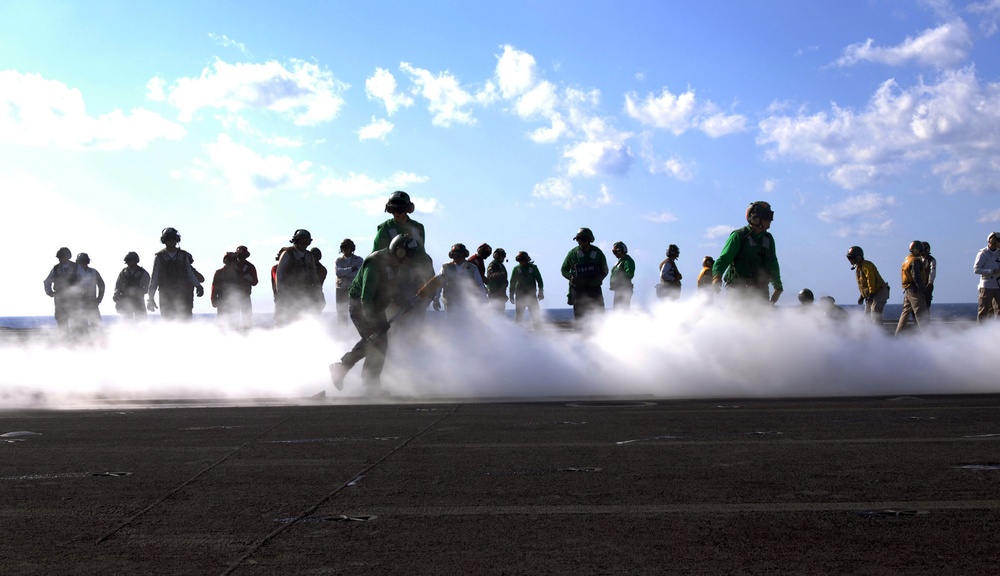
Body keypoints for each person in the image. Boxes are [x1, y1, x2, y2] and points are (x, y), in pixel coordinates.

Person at [329, 234, 420, 392]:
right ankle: (362, 380)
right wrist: (372, 321)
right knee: (375, 341)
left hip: (376, 306)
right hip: (361, 306)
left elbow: (389, 288)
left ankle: (355, 375)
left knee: (378, 344)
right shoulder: (375, 263)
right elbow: (366, 297)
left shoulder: (395, 263)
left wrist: (400, 300)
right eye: (409, 253)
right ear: (399, 251)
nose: (410, 258)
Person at [372, 191, 435, 325]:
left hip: (414, 283)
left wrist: (430, 283)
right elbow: (377, 260)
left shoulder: (418, 228)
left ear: (407, 209)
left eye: (399, 209)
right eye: (392, 209)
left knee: (415, 325)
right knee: (392, 326)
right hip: (392, 285)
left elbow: (422, 256)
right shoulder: (384, 230)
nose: (396, 213)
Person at [712, 201, 783, 304]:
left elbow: (773, 263)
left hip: (760, 290)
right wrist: (717, 277)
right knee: (739, 318)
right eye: (767, 217)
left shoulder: (768, 239)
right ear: (755, 218)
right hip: (738, 289)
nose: (770, 220)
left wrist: (778, 287)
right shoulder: (739, 236)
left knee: (763, 319)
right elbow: (724, 259)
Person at [147, 227, 204, 321]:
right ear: (164, 240)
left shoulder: (183, 255)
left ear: (177, 239)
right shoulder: (160, 257)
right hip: (166, 294)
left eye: (173, 237)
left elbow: (189, 272)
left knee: (185, 320)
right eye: (168, 238)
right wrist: (150, 298)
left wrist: (198, 285)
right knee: (167, 320)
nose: (171, 240)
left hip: (182, 293)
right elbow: (154, 278)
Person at [561, 227, 609, 323]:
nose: (580, 242)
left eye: (583, 239)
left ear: (589, 240)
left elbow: (605, 270)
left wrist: (599, 277)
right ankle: (580, 336)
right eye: (578, 239)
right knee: (580, 317)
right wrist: (570, 276)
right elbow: (564, 269)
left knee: (599, 314)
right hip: (578, 289)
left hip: (594, 288)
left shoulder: (598, 253)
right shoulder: (572, 254)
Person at [274, 229, 320, 326]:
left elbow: (313, 275)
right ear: (295, 240)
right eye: (301, 240)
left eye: (306, 241)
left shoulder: (309, 255)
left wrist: (318, 292)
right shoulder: (287, 254)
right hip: (289, 293)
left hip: (305, 294)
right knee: (285, 320)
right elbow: (280, 274)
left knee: (304, 319)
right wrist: (281, 293)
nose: (304, 243)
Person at [430, 243, 486, 315]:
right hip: (450, 302)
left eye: (459, 256)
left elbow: (480, 286)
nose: (457, 258)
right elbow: (439, 284)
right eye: (454, 256)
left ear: (464, 255)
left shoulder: (472, 268)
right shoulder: (446, 267)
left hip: (466, 303)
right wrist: (436, 298)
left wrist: (483, 303)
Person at [43, 247, 83, 332]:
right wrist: (50, 292)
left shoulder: (77, 267)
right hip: (60, 300)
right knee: (62, 323)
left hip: (74, 300)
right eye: (59, 257)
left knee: (76, 323)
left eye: (62, 256)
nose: (60, 259)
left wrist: (80, 292)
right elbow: (47, 281)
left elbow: (85, 280)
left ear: (68, 256)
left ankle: (77, 342)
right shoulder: (56, 268)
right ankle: (65, 342)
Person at [846, 246, 889, 324]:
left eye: (851, 258)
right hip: (871, 295)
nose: (850, 260)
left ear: (858, 257)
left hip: (878, 293)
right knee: (867, 317)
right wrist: (862, 296)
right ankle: (869, 334)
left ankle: (878, 334)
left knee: (875, 317)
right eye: (848, 258)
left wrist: (871, 293)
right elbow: (863, 285)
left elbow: (870, 280)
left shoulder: (866, 266)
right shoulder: (859, 268)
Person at [895, 240, 928, 335]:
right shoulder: (915, 260)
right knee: (921, 312)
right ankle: (927, 336)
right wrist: (922, 288)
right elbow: (916, 276)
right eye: (921, 250)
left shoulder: (907, 259)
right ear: (917, 250)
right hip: (914, 289)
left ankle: (898, 335)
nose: (922, 253)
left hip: (907, 289)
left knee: (905, 312)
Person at [509, 251, 545, 328]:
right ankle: (517, 332)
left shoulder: (533, 268)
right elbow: (512, 282)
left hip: (531, 295)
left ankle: (538, 332)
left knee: (535, 314)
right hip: (520, 295)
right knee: (519, 315)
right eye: (519, 260)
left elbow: (539, 280)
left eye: (522, 260)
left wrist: (541, 292)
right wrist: (511, 294)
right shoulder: (516, 269)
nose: (521, 262)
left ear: (526, 259)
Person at [113, 252, 150, 322]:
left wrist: (140, 291)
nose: (128, 263)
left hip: (138, 300)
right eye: (127, 261)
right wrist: (116, 296)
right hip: (126, 300)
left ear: (135, 261)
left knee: (141, 321)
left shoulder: (143, 273)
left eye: (130, 261)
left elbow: (148, 286)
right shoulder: (123, 272)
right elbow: (118, 285)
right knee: (127, 322)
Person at [334, 239, 364, 326]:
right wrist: (351, 269)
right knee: (341, 313)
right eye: (343, 247)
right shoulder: (338, 261)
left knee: (357, 312)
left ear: (352, 248)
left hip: (354, 289)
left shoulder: (359, 260)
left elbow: (358, 273)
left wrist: (345, 273)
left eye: (347, 247)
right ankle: (342, 334)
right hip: (341, 289)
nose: (345, 249)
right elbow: (338, 272)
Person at [74, 253, 105, 332]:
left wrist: (99, 299)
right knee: (81, 328)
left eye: (84, 262)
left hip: (92, 303)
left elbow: (101, 285)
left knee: (97, 326)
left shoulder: (94, 272)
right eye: (80, 262)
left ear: (87, 262)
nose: (82, 264)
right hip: (79, 304)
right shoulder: (74, 274)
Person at [974, 231, 1000, 322]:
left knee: (998, 310)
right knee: (983, 311)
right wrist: (992, 271)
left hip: (998, 285)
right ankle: (981, 332)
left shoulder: (998, 253)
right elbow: (976, 269)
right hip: (986, 285)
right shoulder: (983, 253)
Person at [232, 245, 258, 329]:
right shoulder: (231, 267)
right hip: (233, 297)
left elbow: (255, 282)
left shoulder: (250, 267)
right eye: (239, 256)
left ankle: (247, 335)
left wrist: (248, 278)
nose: (241, 258)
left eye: (243, 256)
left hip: (245, 296)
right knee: (233, 319)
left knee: (247, 318)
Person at [609, 241, 636, 309]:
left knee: (622, 309)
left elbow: (629, 274)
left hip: (624, 289)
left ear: (620, 251)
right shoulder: (620, 262)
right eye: (613, 252)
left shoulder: (628, 261)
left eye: (616, 252)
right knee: (617, 309)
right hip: (618, 289)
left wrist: (620, 280)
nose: (614, 254)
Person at [485, 248, 509, 315]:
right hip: (494, 292)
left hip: (501, 292)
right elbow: (490, 275)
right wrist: (500, 274)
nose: (503, 258)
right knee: (494, 311)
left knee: (501, 312)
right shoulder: (493, 264)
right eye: (502, 256)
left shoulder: (501, 265)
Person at [311, 247, 328, 315]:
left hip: (316, 296)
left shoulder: (322, 269)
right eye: (313, 255)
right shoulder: (305, 266)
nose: (314, 257)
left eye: (316, 255)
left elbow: (318, 282)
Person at [921, 241, 936, 310]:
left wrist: (930, 282)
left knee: (926, 305)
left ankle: (925, 319)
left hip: (927, 285)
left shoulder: (931, 260)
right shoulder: (917, 259)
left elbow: (932, 271)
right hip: (918, 285)